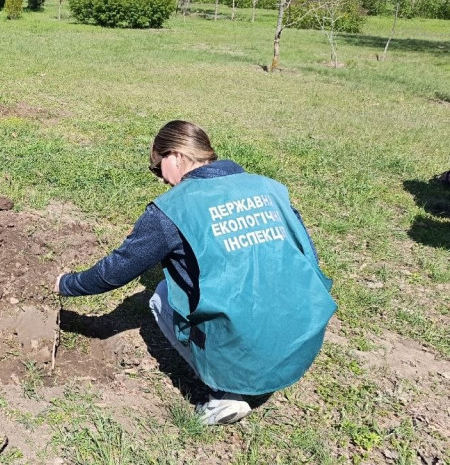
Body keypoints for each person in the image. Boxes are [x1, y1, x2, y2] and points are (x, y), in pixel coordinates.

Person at [54, 120, 336, 425]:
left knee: (161, 295)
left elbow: (115, 271)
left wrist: (65, 284)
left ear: (174, 156)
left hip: (253, 346)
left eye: (156, 167)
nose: (160, 179)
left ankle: (224, 394)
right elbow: (309, 254)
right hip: (304, 335)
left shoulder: (173, 208)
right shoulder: (267, 187)